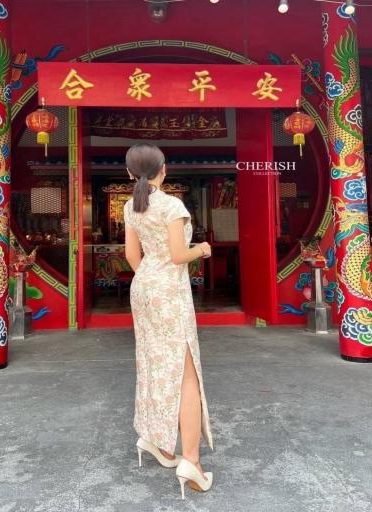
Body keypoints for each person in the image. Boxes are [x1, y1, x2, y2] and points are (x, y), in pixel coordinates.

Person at [123, 142, 214, 499]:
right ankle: (190, 460)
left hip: (143, 288)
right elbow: (178, 255)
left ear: (130, 173)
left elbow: (132, 255)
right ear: (164, 170)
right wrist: (202, 249)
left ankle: (154, 439)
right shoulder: (172, 205)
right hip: (169, 292)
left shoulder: (131, 205)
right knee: (185, 372)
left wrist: (150, 279)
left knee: (152, 363)